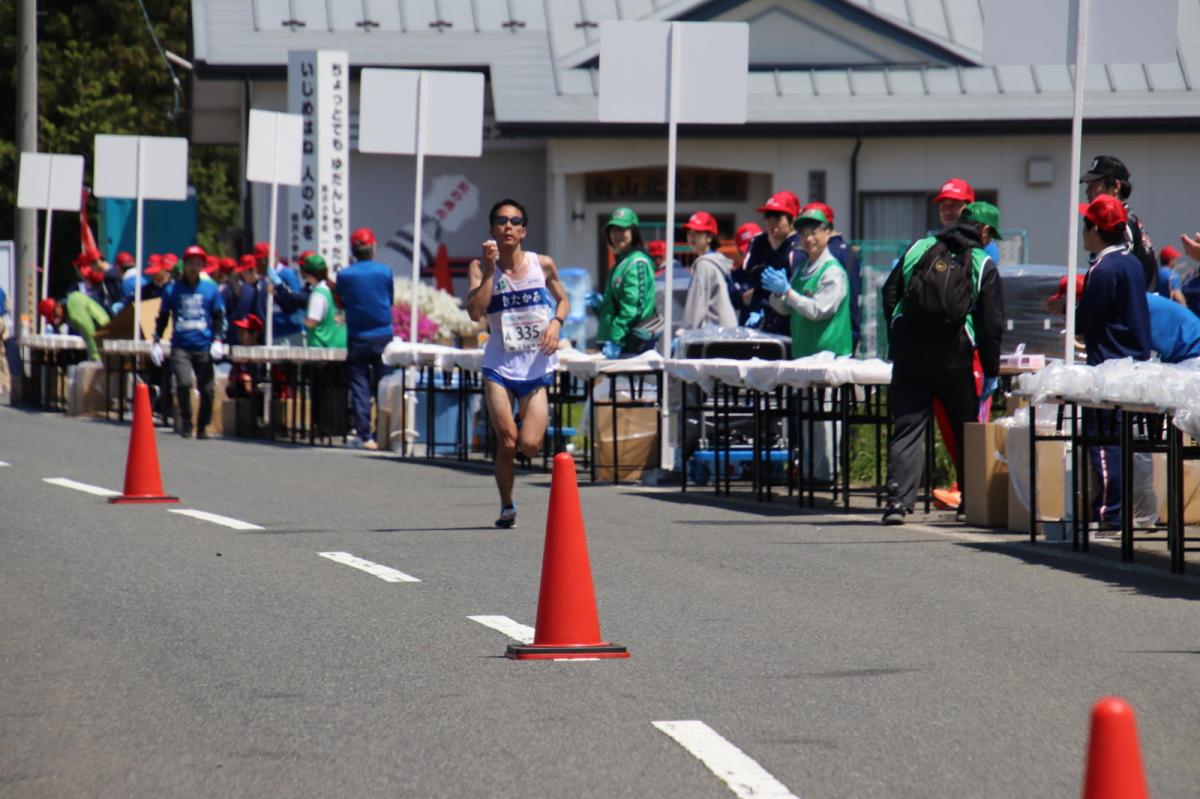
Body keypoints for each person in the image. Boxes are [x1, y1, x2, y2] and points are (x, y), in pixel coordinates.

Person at [881, 201, 1005, 525]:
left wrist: (897, 334)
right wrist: (991, 371)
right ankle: (970, 501)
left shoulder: (919, 247)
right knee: (965, 428)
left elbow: (889, 292)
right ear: (984, 231)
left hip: (910, 352)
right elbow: (991, 326)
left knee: (907, 426)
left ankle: (897, 501)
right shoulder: (982, 262)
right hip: (954, 356)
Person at [466, 199, 569, 528]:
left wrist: (555, 324)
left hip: (535, 366)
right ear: (492, 229)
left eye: (514, 221)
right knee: (508, 441)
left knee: (530, 445)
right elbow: (476, 312)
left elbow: (563, 300)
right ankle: (507, 505)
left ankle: (513, 483)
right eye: (501, 221)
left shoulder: (543, 264)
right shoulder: (480, 267)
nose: (508, 226)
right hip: (499, 364)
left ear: (523, 231)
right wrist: (490, 269)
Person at [1075, 194, 1153, 530]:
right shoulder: (1131, 262)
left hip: (1108, 363)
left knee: (1104, 442)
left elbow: (1090, 319)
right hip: (1134, 361)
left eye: (1086, 225)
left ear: (1095, 229)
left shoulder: (1102, 268)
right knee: (1122, 439)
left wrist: (1073, 318)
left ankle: (1110, 511)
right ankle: (1113, 507)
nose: (1083, 232)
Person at [151, 244, 226, 439]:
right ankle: (186, 420)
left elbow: (218, 316)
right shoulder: (172, 290)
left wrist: (218, 339)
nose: (194, 267)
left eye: (198, 264)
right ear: (184, 265)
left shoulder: (210, 289)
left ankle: (202, 426)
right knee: (183, 383)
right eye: (191, 263)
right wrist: (156, 341)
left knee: (207, 389)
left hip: (203, 345)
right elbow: (163, 316)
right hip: (181, 346)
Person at [337, 227, 395, 450]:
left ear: (353, 250)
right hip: (383, 335)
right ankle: (384, 433)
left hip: (357, 336)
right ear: (373, 247)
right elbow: (389, 299)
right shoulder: (385, 272)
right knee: (385, 385)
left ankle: (364, 435)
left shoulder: (345, 275)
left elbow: (341, 301)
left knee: (359, 387)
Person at [588, 207, 660, 358]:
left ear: (634, 232)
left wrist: (615, 338)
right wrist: (601, 307)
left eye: (622, 229)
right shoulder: (621, 262)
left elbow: (633, 307)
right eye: (613, 230)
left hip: (630, 345)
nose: (617, 235)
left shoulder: (637, 262)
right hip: (616, 344)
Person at [1081, 155, 1158, 292]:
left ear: (1116, 186)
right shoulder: (1128, 218)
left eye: (1094, 185)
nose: (1087, 192)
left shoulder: (1120, 223)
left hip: (1138, 301)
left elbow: (1120, 277)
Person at [733, 192, 800, 333]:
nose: (771, 222)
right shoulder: (759, 241)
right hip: (762, 319)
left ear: (793, 218)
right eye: (768, 216)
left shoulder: (799, 246)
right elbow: (748, 276)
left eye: (777, 217)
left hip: (791, 322)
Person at [801, 202, 863, 353]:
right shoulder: (848, 251)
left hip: (831, 339)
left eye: (813, 229)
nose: (808, 237)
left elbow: (821, 307)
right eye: (804, 231)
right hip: (845, 333)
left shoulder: (827, 254)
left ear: (826, 229)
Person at [680, 211, 737, 329]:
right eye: (689, 232)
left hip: (714, 333)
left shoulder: (704, 264)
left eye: (697, 232)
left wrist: (684, 333)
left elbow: (695, 306)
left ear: (709, 237)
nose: (692, 237)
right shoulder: (717, 260)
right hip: (726, 329)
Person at [301, 253, 347, 348]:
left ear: (308, 274)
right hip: (340, 345)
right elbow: (340, 319)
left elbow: (313, 322)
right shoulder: (333, 289)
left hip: (322, 347)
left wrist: (303, 321)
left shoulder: (318, 294)